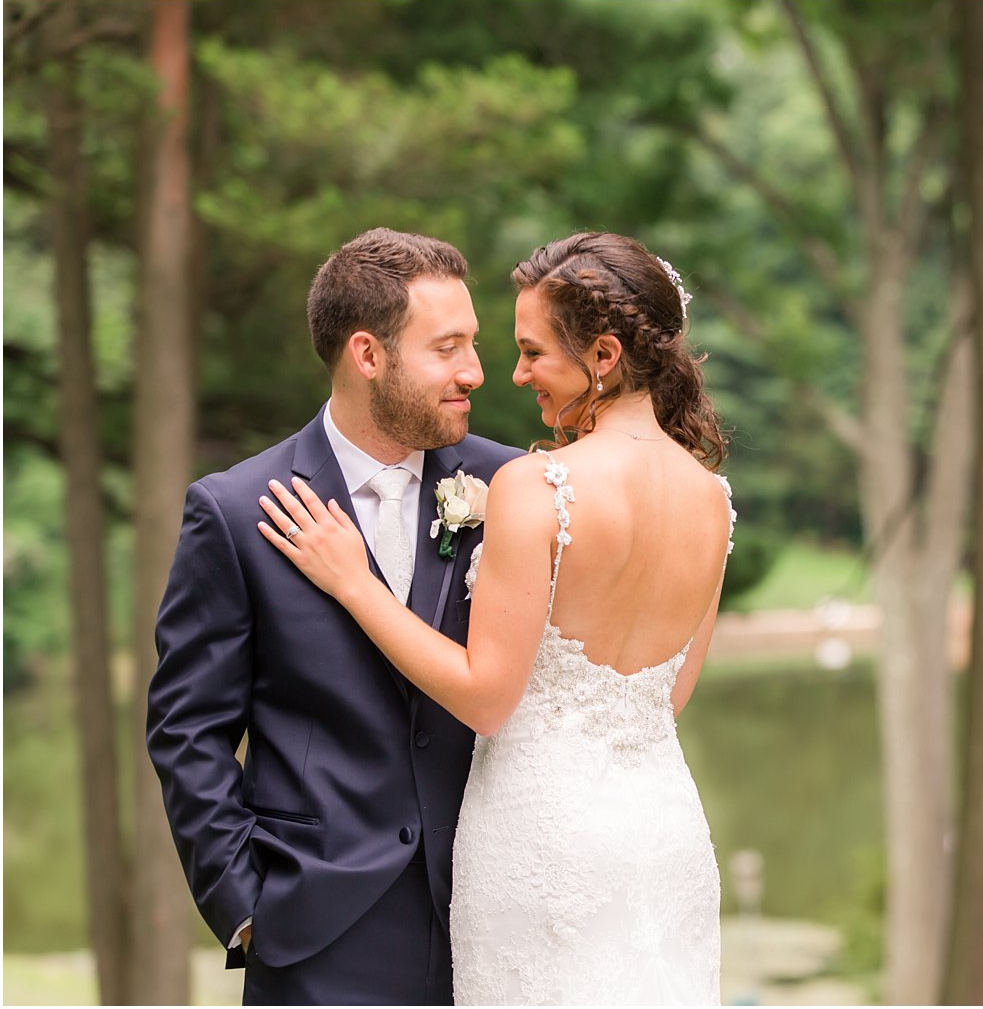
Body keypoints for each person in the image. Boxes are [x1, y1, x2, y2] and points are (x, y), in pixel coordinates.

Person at [259, 231, 732, 1005]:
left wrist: (355, 583)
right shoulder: (711, 498)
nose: (513, 376)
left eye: (533, 352)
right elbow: (665, 696)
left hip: (542, 842)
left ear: (604, 356)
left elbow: (486, 697)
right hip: (662, 831)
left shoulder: (538, 484)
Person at [146, 228, 523, 1004]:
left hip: (497, 919)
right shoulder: (234, 511)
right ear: (368, 354)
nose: (475, 373)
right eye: (447, 348)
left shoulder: (509, 483)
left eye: (474, 344)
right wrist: (245, 907)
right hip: (317, 935)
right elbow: (188, 730)